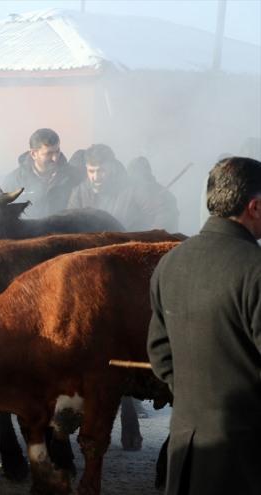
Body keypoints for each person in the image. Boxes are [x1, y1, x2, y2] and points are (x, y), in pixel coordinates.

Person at [147, 156, 261, 495]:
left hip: (185, 445)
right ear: (254, 206)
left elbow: (160, 355)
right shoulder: (255, 270)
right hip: (245, 457)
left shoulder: (170, 262)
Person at [68, 143, 177, 231]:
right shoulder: (79, 193)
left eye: (101, 171)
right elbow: (69, 222)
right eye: (91, 171)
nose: (95, 177)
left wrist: (148, 241)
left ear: (112, 168)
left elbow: (165, 211)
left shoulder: (133, 189)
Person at [2, 128, 80, 219]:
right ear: (33, 154)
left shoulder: (74, 176)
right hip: (28, 232)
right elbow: (5, 217)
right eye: (49, 154)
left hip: (66, 231)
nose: (55, 158)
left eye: (57, 152)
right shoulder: (13, 181)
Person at [127, 156, 180, 232]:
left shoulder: (164, 195)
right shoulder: (130, 193)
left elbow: (166, 222)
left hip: (156, 240)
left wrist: (149, 238)